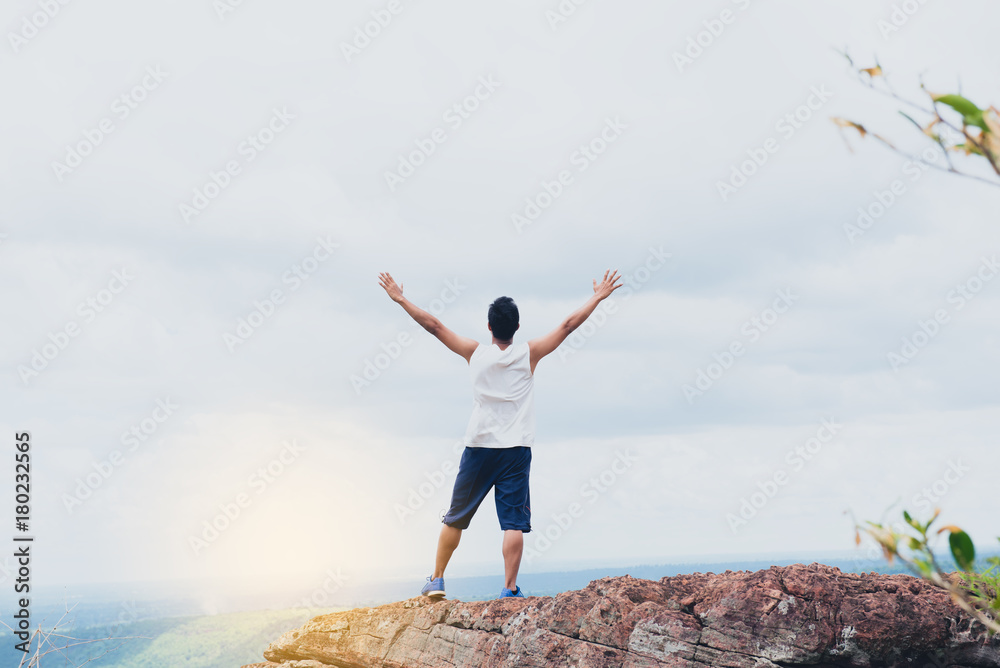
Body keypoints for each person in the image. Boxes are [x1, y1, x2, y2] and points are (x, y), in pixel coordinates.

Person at [377, 270, 623, 599]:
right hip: (516, 449)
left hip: (478, 446)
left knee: (455, 516)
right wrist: (597, 297)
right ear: (517, 328)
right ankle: (509, 589)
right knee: (513, 523)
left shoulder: (474, 353)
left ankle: (436, 579)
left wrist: (400, 298)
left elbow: (434, 326)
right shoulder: (528, 353)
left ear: (490, 327)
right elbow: (567, 327)